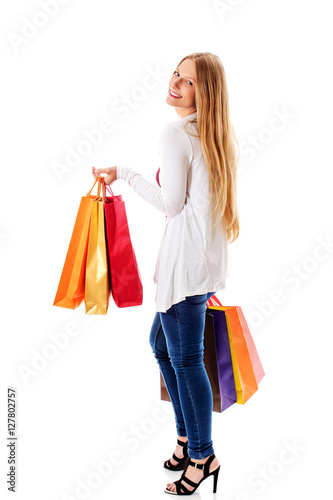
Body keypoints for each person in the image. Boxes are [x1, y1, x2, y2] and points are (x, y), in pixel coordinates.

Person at [92, 51, 240, 495]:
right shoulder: (215, 133)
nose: (175, 82)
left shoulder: (176, 134)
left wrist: (124, 174)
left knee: (186, 359)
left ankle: (201, 455)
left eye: (188, 81)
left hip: (184, 268)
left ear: (204, 92)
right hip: (203, 264)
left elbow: (170, 205)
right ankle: (186, 436)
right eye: (177, 74)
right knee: (162, 344)